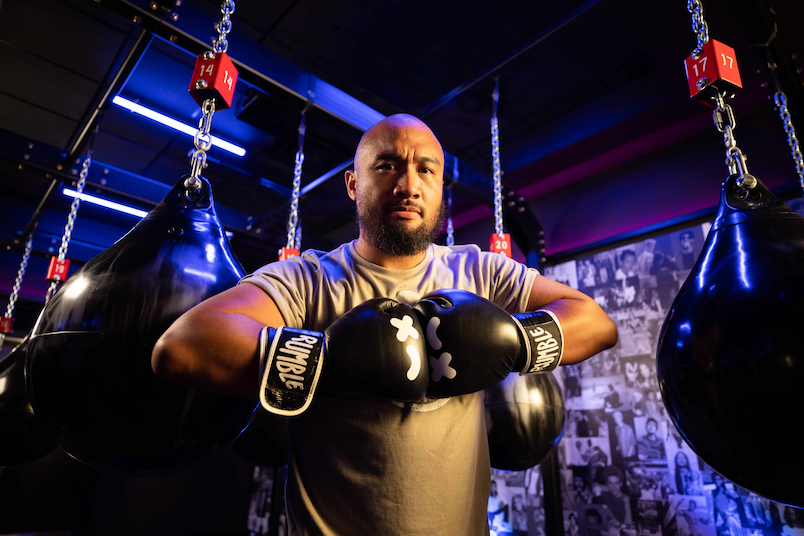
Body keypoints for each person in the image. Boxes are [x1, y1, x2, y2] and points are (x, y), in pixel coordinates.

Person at [151, 114, 618, 535]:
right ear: (353, 185)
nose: (408, 185)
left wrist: (516, 341)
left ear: (439, 190)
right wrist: (327, 361)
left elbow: (595, 323)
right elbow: (181, 347)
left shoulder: (479, 272)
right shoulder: (308, 278)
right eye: (388, 165)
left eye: (426, 170)